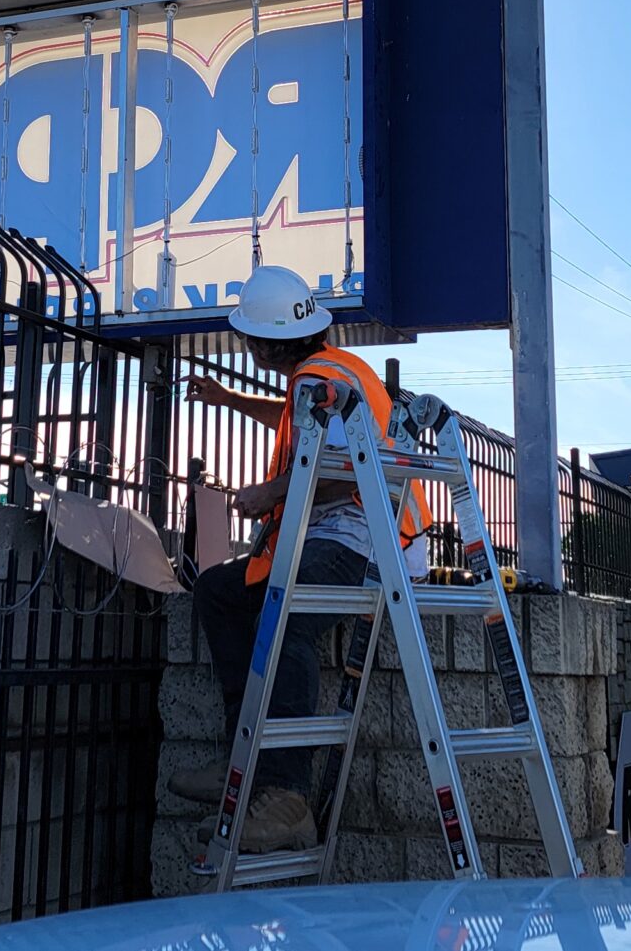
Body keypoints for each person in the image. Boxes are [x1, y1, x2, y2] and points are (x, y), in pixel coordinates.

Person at [170, 265, 431, 855]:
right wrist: (226, 398)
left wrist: (272, 493)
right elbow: (305, 428)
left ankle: (287, 798)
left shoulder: (320, 378)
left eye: (247, 337)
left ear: (262, 343)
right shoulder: (331, 373)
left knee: (281, 611)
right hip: (348, 538)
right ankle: (247, 755)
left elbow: (340, 470)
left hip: (365, 544)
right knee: (217, 590)